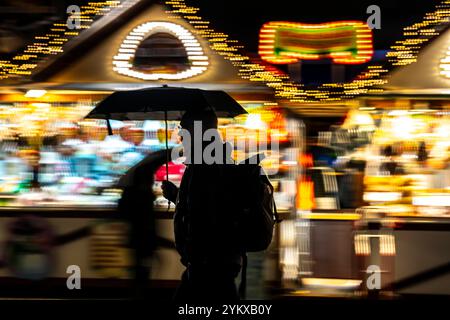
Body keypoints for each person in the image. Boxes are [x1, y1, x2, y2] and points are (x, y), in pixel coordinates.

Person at [162, 109, 242, 302]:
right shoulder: (218, 160)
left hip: (208, 262)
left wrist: (197, 256)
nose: (180, 135)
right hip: (217, 259)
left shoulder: (204, 166)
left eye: (184, 129)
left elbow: (204, 213)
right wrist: (176, 196)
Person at [117, 149, 167, 299]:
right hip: (144, 240)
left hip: (136, 239)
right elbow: (146, 221)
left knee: (139, 272)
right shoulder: (143, 197)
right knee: (142, 273)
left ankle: (138, 294)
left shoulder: (130, 193)